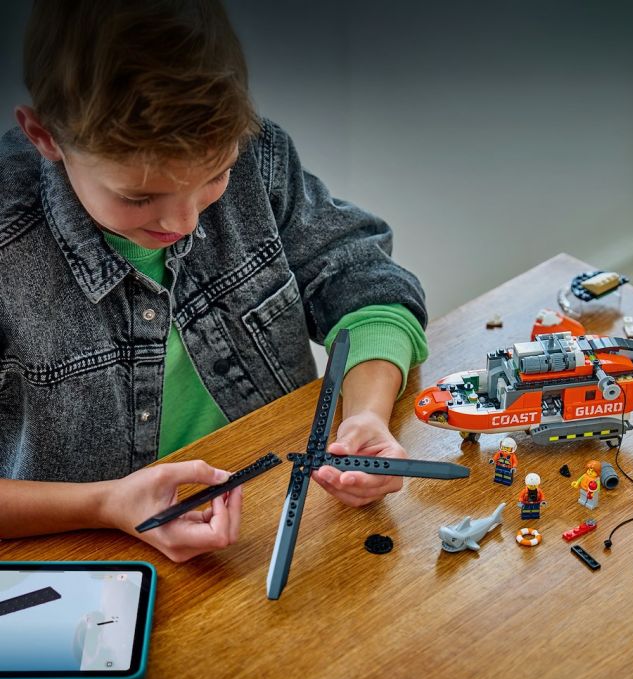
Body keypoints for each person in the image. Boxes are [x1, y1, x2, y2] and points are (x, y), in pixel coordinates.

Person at [0, 0, 428, 562]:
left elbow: (367, 288)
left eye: (215, 175)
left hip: (285, 519)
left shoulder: (258, 157)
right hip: (87, 563)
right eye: (139, 196)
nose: (183, 223)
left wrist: (366, 413)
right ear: (45, 137)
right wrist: (104, 504)